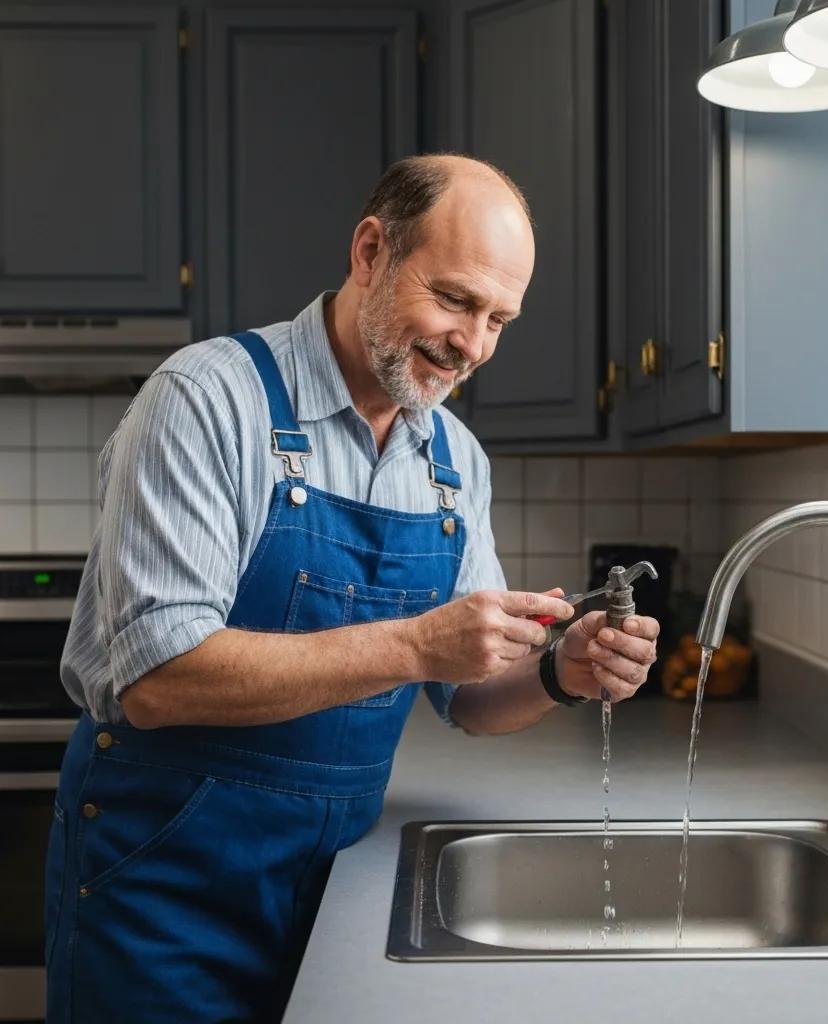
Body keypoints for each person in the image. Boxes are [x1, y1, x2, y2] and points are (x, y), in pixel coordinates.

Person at [45, 153, 660, 1022]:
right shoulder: (207, 399)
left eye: (499, 320)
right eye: (454, 300)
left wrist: (565, 672)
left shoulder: (454, 461)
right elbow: (156, 679)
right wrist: (416, 644)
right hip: (163, 890)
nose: (474, 345)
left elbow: (466, 697)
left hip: (339, 888)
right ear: (371, 251)